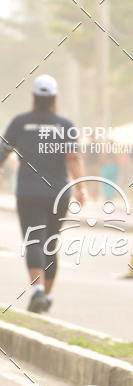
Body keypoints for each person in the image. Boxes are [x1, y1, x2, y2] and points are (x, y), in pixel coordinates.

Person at [0, 75, 85, 312]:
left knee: (34, 241)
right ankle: (45, 296)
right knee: (50, 242)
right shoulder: (65, 125)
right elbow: (74, 158)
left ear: (34, 97)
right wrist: (82, 187)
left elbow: (2, 153)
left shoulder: (20, 123)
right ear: (54, 98)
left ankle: (38, 291)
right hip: (58, 193)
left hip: (28, 192)